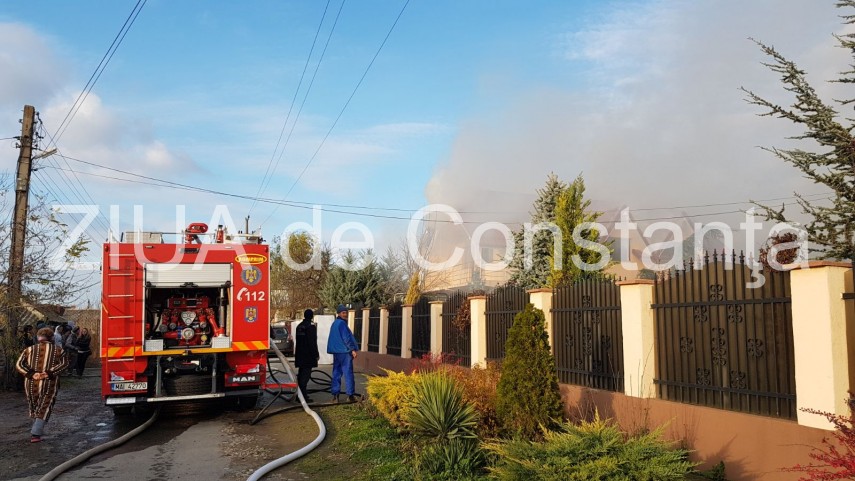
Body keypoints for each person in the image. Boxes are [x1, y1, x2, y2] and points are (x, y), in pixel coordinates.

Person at [16, 327, 69, 443]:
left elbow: (19, 364)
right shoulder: (59, 350)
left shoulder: (29, 349)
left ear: (38, 337)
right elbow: (64, 364)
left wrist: (31, 374)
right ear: (51, 338)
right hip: (49, 382)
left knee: (34, 405)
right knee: (45, 405)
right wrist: (48, 373)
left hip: (31, 383)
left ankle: (36, 428)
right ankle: (36, 433)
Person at [326, 304, 359, 403]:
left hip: (336, 352)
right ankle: (350, 395)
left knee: (336, 373)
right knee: (348, 373)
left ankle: (335, 396)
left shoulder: (335, 323)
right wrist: (352, 349)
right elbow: (346, 338)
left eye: (346, 313)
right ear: (339, 313)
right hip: (344, 352)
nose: (345, 314)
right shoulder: (342, 324)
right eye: (343, 313)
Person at [294, 309, 319, 403]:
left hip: (300, 355)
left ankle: (299, 395)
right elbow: (312, 342)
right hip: (308, 356)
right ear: (312, 316)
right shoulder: (311, 327)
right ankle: (303, 397)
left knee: (301, 375)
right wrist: (316, 354)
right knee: (305, 377)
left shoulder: (299, 326)